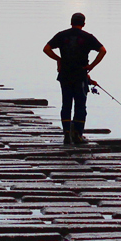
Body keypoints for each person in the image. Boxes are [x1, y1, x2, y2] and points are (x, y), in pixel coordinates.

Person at [43, 13, 106, 146]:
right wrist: (91, 66)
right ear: (83, 23)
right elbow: (103, 51)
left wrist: (59, 59)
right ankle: (77, 135)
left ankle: (66, 133)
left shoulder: (61, 35)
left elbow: (46, 49)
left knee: (66, 104)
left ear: (71, 22)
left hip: (65, 75)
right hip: (80, 75)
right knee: (80, 105)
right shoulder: (88, 37)